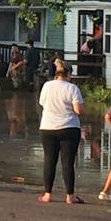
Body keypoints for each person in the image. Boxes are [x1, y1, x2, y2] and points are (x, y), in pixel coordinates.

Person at [37, 60, 84, 203]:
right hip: (69, 127)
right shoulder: (73, 88)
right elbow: (78, 110)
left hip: (48, 127)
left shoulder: (47, 86)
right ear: (69, 74)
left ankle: (47, 194)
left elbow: (42, 103)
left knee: (49, 160)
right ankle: (70, 195)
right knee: (67, 162)